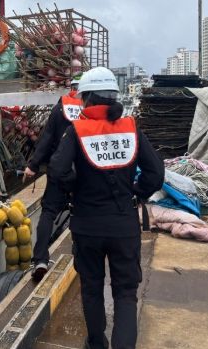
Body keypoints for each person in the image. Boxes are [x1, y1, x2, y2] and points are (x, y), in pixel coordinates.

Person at [47, 67, 164, 349]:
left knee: (92, 289)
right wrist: (136, 192)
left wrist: (75, 188)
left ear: (87, 98)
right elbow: (156, 173)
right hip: (124, 224)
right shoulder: (131, 128)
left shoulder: (77, 131)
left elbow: (57, 170)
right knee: (125, 294)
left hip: (87, 225)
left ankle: (96, 343)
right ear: (114, 96)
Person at [24, 76, 84, 282]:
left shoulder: (60, 109)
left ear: (71, 89)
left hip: (59, 170)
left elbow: (47, 139)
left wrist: (33, 165)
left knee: (48, 212)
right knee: (82, 212)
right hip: (84, 173)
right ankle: (81, 255)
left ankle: (40, 260)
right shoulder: (90, 110)